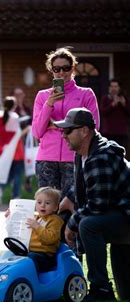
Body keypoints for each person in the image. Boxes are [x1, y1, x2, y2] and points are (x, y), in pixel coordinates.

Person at [55, 108, 130, 302]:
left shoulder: (100, 157)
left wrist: (72, 223)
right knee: (126, 295)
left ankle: (101, 290)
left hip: (125, 215)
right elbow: (87, 184)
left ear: (85, 131)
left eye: (68, 130)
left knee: (88, 225)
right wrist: (69, 198)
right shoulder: (84, 152)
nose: (64, 135)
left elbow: (98, 204)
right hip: (120, 213)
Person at [32, 47, 100, 199]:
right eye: (57, 69)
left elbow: (93, 127)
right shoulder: (43, 96)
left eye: (65, 68)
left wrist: (55, 125)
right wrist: (49, 104)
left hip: (73, 156)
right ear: (52, 70)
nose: (61, 72)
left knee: (71, 205)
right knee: (47, 208)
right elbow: (37, 132)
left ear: (73, 68)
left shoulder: (86, 94)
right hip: (46, 159)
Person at [0, 96, 25, 205]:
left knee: (11, 174)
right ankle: (16, 196)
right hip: (16, 150)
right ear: (14, 106)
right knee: (17, 174)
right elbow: (17, 134)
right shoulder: (15, 117)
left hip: (6, 150)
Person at [26, 187, 64, 272]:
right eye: (39, 202)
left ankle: (29, 278)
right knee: (14, 255)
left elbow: (50, 239)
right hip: (29, 251)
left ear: (55, 207)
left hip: (45, 256)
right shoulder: (35, 217)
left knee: (31, 258)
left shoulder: (55, 220)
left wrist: (37, 227)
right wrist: (10, 216)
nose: (42, 205)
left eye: (47, 203)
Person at [100, 79, 130, 150]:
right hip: (108, 133)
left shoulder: (124, 99)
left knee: (121, 154)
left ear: (119, 88)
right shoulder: (105, 98)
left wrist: (124, 104)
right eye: (112, 87)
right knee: (109, 154)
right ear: (109, 88)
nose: (114, 89)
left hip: (122, 133)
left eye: (116, 86)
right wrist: (112, 104)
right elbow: (103, 112)